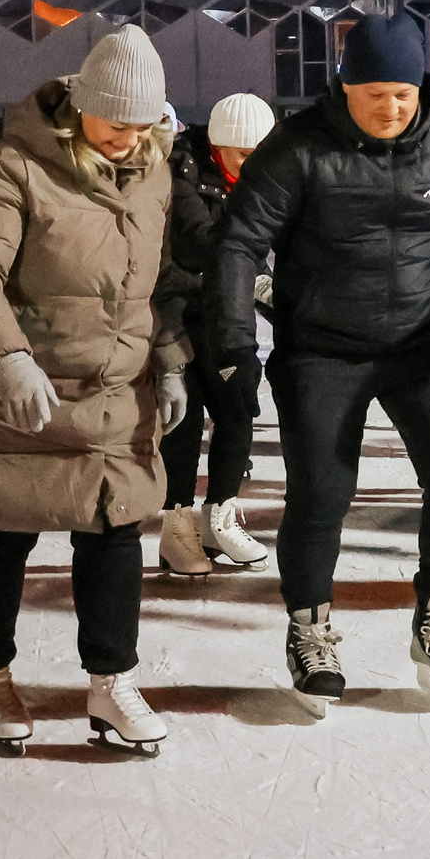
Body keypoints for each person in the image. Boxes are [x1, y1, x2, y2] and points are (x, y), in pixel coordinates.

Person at [214, 13, 430, 704]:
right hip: (323, 346)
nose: (391, 106)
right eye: (375, 91)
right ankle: (309, 627)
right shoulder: (298, 146)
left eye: (404, 92)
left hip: (422, 341)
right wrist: (233, 343)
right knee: (321, 490)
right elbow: (238, 242)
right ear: (345, 84)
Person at [0, 27, 185, 754]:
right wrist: (9, 357)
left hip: (110, 389)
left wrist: (167, 353)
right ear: (80, 106)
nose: (128, 139)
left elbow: (154, 282)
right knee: (1, 528)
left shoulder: (155, 170)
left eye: (142, 124)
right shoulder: (15, 165)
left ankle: (111, 682)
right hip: (17, 390)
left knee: (113, 529)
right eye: (115, 122)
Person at [155, 93, 276, 576]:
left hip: (228, 314)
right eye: (244, 155)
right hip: (178, 311)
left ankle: (220, 516)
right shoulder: (178, 174)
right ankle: (177, 526)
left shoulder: (259, 178)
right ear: (217, 144)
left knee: (238, 404)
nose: (253, 165)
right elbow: (201, 245)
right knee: (183, 419)